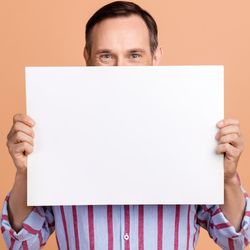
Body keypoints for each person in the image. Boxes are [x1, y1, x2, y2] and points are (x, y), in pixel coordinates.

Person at [1, 1, 250, 249]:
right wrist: (25, 173)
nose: (120, 70)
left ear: (155, 58)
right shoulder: (56, 130)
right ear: (87, 58)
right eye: (106, 56)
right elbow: (21, 243)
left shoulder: (193, 127)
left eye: (134, 55)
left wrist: (228, 179)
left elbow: (235, 240)